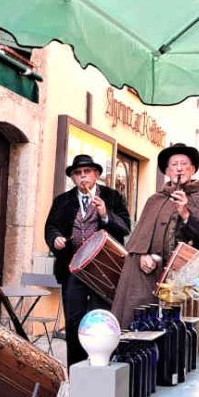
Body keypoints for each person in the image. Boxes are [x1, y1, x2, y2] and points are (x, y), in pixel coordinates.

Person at [111, 143, 199, 328]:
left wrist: (185, 213)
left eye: (184, 164)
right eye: (174, 165)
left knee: (186, 327)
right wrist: (142, 255)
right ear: (167, 171)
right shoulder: (155, 200)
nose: (179, 168)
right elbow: (141, 237)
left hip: (191, 276)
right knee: (145, 320)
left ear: (193, 169)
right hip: (154, 274)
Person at [45, 154, 131, 366]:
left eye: (87, 172)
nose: (82, 177)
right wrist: (55, 238)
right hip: (72, 269)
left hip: (103, 270)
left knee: (101, 319)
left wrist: (105, 215)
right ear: (73, 178)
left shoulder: (112, 197)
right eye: (78, 173)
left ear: (96, 175)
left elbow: (125, 227)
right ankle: (76, 370)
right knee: (74, 322)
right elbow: (51, 227)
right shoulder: (62, 200)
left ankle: (102, 366)